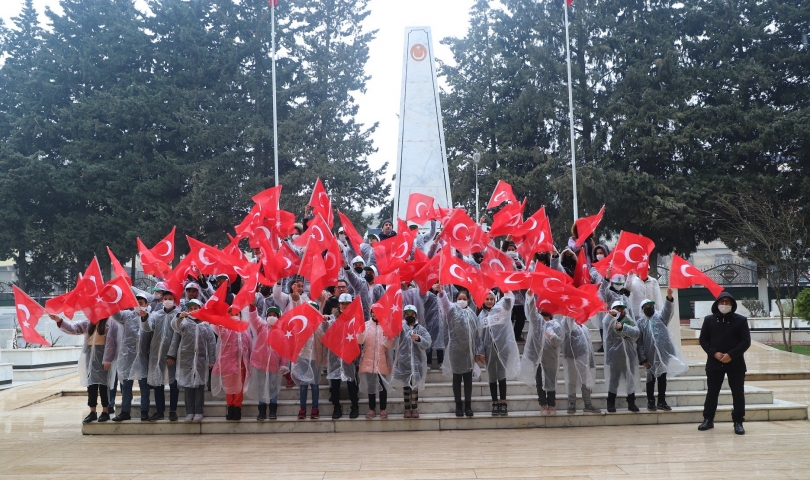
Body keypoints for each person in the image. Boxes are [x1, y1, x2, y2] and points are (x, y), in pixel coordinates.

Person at [698, 292, 751, 435]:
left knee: (738, 393)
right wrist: (714, 352)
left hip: (735, 363)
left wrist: (731, 355)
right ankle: (708, 419)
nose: (725, 304)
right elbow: (703, 340)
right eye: (722, 302)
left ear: (732, 305)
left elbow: (745, 341)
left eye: (728, 302)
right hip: (714, 362)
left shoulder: (740, 320)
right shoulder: (709, 320)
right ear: (717, 304)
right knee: (712, 392)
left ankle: (738, 421)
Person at [50, 314, 118, 423]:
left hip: (103, 356)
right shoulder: (88, 323)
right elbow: (73, 328)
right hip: (90, 356)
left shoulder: (110, 323)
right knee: (91, 385)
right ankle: (92, 411)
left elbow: (111, 344)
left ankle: (105, 411)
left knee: (104, 385)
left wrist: (108, 359)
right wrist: (59, 320)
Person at [636, 289, 688, 412]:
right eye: (647, 307)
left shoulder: (660, 318)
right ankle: (651, 401)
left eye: (651, 306)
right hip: (649, 357)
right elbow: (639, 342)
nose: (650, 308)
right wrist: (642, 358)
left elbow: (668, 311)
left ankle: (661, 401)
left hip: (663, 356)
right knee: (650, 380)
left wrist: (669, 298)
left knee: (662, 379)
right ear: (642, 309)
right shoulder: (640, 323)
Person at [438, 289, 484, 418]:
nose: (462, 301)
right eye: (459, 298)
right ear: (455, 300)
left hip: (469, 351)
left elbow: (477, 335)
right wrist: (442, 293)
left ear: (468, 300)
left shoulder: (472, 314)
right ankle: (458, 405)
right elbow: (445, 304)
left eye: (464, 298)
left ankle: (468, 406)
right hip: (455, 351)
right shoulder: (452, 311)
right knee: (457, 379)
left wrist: (478, 351)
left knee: (468, 380)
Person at [170, 299, 217, 422]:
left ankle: (198, 411)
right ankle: (189, 411)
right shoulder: (184, 323)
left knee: (199, 387)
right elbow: (175, 326)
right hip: (187, 360)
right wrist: (179, 317)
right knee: (188, 387)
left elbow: (212, 343)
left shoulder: (206, 325)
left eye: (195, 308)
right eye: (190, 309)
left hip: (201, 361)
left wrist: (212, 360)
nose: (193, 310)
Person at [108, 289, 150, 422]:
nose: (139, 304)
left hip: (144, 356)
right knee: (126, 385)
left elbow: (150, 329)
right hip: (128, 357)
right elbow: (115, 315)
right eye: (137, 302)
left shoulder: (151, 316)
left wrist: (145, 318)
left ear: (146, 304)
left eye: (142, 302)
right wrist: (112, 300)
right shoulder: (127, 315)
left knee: (144, 384)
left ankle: (144, 411)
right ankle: (125, 411)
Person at [141, 289, 182, 421]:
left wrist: (172, 354)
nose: (168, 301)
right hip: (156, 354)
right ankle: (160, 410)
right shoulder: (156, 314)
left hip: (172, 355)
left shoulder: (178, 315)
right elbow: (148, 328)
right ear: (162, 300)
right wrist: (145, 317)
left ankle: (173, 411)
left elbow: (177, 336)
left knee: (173, 383)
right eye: (165, 298)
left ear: (175, 300)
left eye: (170, 298)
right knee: (158, 382)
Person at [478, 291, 520, 416]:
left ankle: (503, 402)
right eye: (487, 299)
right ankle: (495, 403)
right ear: (483, 301)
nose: (489, 301)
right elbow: (478, 337)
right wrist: (480, 352)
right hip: (488, 351)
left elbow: (508, 303)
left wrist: (506, 292)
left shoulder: (500, 311)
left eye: (491, 299)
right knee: (492, 377)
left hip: (501, 350)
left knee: (501, 376)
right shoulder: (480, 316)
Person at [521, 291, 563, 414]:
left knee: (551, 382)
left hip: (551, 359)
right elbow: (531, 311)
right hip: (538, 359)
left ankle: (551, 404)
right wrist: (530, 297)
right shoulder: (537, 321)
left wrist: (552, 336)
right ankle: (543, 404)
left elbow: (559, 341)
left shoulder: (556, 325)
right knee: (539, 382)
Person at [245, 305, 288, 421]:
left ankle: (273, 411)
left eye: (274, 315)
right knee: (261, 387)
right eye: (270, 315)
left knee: (273, 387)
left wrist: (283, 363)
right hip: (260, 364)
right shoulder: (261, 327)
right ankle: (262, 411)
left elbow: (284, 349)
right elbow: (254, 318)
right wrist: (252, 306)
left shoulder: (281, 332)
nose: (272, 317)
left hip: (274, 365)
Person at [324, 294, 361, 419]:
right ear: (339, 304)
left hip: (349, 355)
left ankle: (355, 407)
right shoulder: (333, 319)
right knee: (335, 384)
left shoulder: (355, 318)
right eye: (343, 303)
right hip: (334, 356)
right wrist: (325, 321)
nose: (345, 306)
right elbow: (325, 328)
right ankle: (336, 408)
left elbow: (360, 336)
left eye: (347, 303)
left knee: (351, 382)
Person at [211, 311, 252, 421]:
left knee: (239, 386)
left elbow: (249, 343)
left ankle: (237, 408)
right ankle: (230, 407)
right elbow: (215, 325)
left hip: (242, 362)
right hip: (227, 362)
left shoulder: (244, 328)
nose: (235, 316)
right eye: (232, 314)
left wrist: (250, 359)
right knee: (229, 387)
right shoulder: (224, 328)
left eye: (237, 314)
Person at [392, 304, 431, 418]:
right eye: (407, 314)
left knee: (414, 387)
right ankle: (407, 408)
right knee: (406, 386)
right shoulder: (401, 328)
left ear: (415, 315)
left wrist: (419, 339)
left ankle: (414, 408)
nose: (409, 316)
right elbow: (394, 339)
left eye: (411, 314)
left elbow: (428, 342)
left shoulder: (421, 329)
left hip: (417, 362)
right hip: (404, 363)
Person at [603, 300, 640, 413]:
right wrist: (611, 316)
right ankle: (611, 402)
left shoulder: (628, 320)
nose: (619, 310)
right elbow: (606, 325)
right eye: (617, 308)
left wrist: (623, 327)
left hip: (629, 355)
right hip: (615, 356)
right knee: (614, 380)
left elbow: (636, 333)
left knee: (630, 379)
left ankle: (631, 402)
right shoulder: (609, 321)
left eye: (621, 308)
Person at [357, 308, 395, 419]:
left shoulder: (386, 326)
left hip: (382, 361)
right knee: (371, 386)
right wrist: (361, 333)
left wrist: (389, 337)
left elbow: (390, 346)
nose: (374, 314)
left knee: (383, 386)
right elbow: (359, 341)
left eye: (377, 312)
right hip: (369, 360)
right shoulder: (366, 325)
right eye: (373, 312)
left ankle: (383, 409)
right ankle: (372, 409)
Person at [561, 312, 601, 414]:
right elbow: (567, 324)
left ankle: (588, 404)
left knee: (585, 380)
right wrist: (569, 313)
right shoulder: (567, 323)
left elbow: (589, 347)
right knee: (572, 380)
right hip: (572, 357)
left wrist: (591, 361)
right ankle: (572, 404)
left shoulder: (584, 328)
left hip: (584, 358)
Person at [291, 301, 324, 420]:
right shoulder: (300, 324)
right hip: (303, 358)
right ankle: (302, 408)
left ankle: (315, 408)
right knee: (303, 385)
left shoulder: (320, 326)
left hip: (315, 359)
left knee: (315, 385)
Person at [423, 284, 445, 370]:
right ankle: (428, 362)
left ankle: (440, 361)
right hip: (429, 322)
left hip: (440, 322)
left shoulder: (441, 294)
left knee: (440, 342)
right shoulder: (427, 295)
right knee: (429, 342)